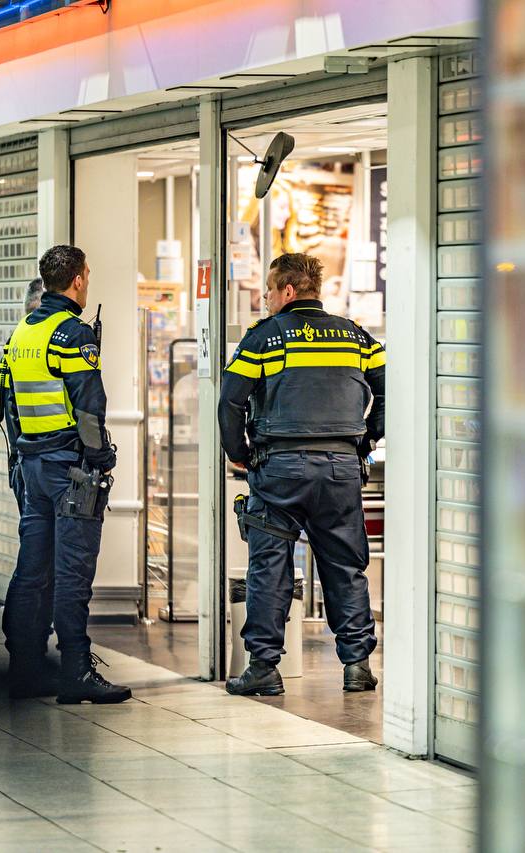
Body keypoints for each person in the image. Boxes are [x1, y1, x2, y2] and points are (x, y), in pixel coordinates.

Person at [217, 252, 386, 696]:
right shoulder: (355, 337)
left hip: (280, 469)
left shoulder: (264, 338)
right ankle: (356, 666)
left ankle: (264, 668)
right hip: (340, 468)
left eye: (269, 291)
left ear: (288, 291)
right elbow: (391, 389)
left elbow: (230, 401)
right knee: (345, 565)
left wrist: (240, 453)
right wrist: (366, 439)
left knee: (269, 566)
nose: (265, 298)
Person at [0, 246, 131, 703]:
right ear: (77, 280)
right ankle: (75, 671)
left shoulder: (21, 333)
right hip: (69, 469)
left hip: (31, 466)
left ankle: (25, 668)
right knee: (73, 573)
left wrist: (23, 458)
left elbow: (8, 406)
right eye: (87, 275)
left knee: (32, 571)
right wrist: (102, 460)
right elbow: (90, 408)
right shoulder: (72, 335)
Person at [2, 278, 47, 509]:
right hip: (44, 464)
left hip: (23, 460)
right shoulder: (42, 344)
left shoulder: (15, 341)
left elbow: (10, 407)